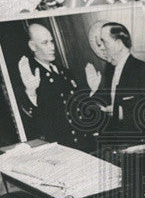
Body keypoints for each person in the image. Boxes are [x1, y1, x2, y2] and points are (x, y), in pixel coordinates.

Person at [86, 21, 145, 143]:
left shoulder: (143, 70)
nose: (102, 48)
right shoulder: (110, 71)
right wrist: (94, 90)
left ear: (119, 44)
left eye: (104, 42)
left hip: (139, 144)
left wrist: (123, 113)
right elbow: (106, 105)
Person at [16, 21, 90, 149]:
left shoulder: (64, 72)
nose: (52, 47)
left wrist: (91, 90)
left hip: (83, 145)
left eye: (52, 41)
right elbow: (30, 120)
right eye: (45, 43)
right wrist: (30, 92)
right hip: (59, 149)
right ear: (33, 46)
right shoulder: (29, 77)